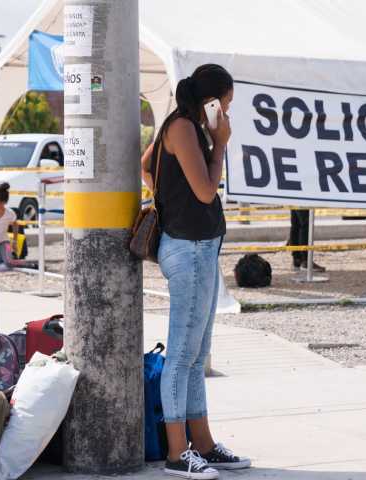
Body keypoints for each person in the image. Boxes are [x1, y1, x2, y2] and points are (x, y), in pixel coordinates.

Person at [140, 64, 250, 479]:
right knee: (182, 354)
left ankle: (202, 443)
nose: (226, 113)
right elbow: (206, 191)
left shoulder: (186, 128)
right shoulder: (184, 128)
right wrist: (220, 145)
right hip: (186, 250)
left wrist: (166, 195)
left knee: (197, 353)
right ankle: (176, 452)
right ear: (210, 102)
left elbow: (146, 165)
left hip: (199, 248)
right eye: (225, 105)